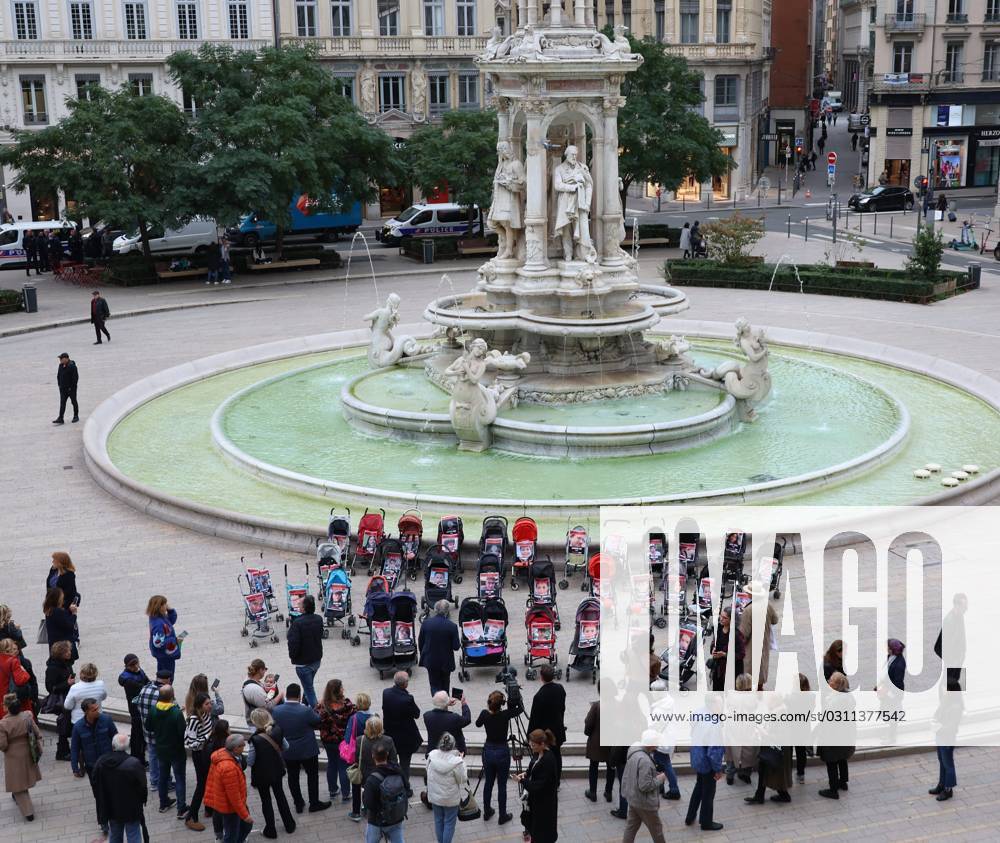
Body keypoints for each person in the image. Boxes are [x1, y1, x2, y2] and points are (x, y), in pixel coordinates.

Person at [271, 682, 330, 814]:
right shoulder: (305, 710)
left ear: (286, 695)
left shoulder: (277, 711)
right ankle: (314, 803)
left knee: (293, 777)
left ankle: (298, 803)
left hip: (288, 751)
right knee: (312, 776)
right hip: (307, 750)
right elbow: (317, 721)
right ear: (299, 696)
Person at [247, 707, 296, 838]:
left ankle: (271, 830)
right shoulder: (277, 730)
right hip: (277, 770)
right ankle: (289, 825)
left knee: (266, 800)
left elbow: (250, 761)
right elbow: (286, 747)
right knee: (280, 796)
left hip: (262, 775)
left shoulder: (254, 739)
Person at [71, 698, 118, 835]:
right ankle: (103, 821)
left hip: (109, 764)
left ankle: (114, 816)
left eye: (97, 708)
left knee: (112, 792)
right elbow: (74, 748)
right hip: (92, 767)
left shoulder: (107, 720)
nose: (97, 711)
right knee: (99, 795)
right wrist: (75, 767)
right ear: (86, 712)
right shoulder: (78, 727)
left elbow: (115, 738)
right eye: (94, 709)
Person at [476, 688, 522, 823]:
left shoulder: (484, 714)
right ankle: (503, 815)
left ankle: (487, 811)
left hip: (489, 750)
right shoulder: (506, 714)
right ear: (501, 704)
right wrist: (515, 696)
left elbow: (478, 724)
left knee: (488, 782)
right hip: (502, 751)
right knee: (502, 785)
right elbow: (520, 709)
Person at [94, 732, 148, 843]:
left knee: (115, 834)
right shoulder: (134, 764)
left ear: (113, 746)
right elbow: (143, 786)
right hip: (131, 808)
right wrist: (143, 799)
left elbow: (95, 783)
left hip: (111, 807)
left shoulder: (101, 762)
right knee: (134, 834)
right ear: (127, 747)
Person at [0, 693, 42, 822]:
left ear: (6, 707)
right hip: (28, 751)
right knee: (24, 778)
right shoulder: (27, 717)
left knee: (17, 785)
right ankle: (17, 797)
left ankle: (28, 812)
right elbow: (37, 733)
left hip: (13, 756)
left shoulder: (3, 723)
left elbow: (3, 745)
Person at [149, 684, 188, 819]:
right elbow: (182, 731)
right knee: (179, 778)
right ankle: (181, 808)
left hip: (161, 750)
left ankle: (163, 803)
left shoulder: (153, 710)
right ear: (172, 696)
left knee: (163, 777)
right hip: (176, 751)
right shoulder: (176, 713)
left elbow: (149, 726)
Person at [205, 734, 253, 843]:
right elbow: (234, 796)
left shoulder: (224, 754)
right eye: (242, 745)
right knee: (232, 834)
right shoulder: (228, 768)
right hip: (230, 807)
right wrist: (245, 816)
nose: (245, 745)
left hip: (229, 803)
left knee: (244, 828)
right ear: (235, 748)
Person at [621, 730, 667, 843]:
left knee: (631, 828)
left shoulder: (634, 753)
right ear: (650, 744)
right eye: (656, 742)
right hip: (644, 803)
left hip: (633, 798)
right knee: (657, 830)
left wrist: (652, 775)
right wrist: (660, 779)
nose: (657, 744)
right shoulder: (645, 761)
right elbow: (645, 785)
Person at [686, 700, 725, 831]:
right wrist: (718, 769)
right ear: (713, 705)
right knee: (708, 793)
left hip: (697, 756)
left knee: (699, 787)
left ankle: (690, 816)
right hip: (707, 763)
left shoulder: (699, 712)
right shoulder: (714, 723)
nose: (722, 707)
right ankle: (706, 822)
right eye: (720, 704)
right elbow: (714, 751)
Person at [132, 669, 173, 793]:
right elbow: (171, 711)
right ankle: (166, 782)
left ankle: (154, 782)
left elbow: (136, 701)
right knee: (164, 758)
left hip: (147, 731)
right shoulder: (164, 694)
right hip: (162, 733)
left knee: (153, 756)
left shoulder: (145, 689)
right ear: (168, 680)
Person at [382, 671, 421, 797]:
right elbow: (417, 714)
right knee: (405, 764)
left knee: (392, 762)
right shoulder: (407, 699)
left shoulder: (386, 693)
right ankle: (405, 787)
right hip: (405, 737)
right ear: (404, 684)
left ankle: (391, 785)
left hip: (390, 735)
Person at [517, 728, 559, 843]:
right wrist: (526, 773)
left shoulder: (548, 760)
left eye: (534, 745)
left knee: (542, 833)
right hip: (537, 803)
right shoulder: (539, 753)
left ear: (542, 744)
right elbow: (533, 766)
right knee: (535, 830)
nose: (531, 746)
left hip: (544, 805)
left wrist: (521, 781)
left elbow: (537, 786)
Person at [817, 672, 855, 799]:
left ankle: (833, 790)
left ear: (837, 685)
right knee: (842, 758)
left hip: (833, 738)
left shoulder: (835, 702)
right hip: (845, 736)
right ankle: (843, 782)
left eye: (831, 680)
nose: (829, 682)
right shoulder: (848, 697)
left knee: (832, 762)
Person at [316, 678, 354, 802]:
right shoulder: (347, 705)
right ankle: (346, 793)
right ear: (338, 691)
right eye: (342, 687)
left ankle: (333, 790)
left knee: (332, 764)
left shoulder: (322, 706)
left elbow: (315, 720)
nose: (343, 689)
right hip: (343, 741)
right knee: (343, 766)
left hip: (328, 741)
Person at [427, 732, 468, 843]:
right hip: (451, 798)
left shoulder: (432, 756)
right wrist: (462, 760)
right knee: (449, 823)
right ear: (453, 745)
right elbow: (463, 779)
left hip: (435, 796)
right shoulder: (456, 762)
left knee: (438, 820)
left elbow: (428, 772)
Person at [362, 742, 407, 843]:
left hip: (376, 821)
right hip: (396, 816)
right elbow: (407, 789)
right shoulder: (398, 771)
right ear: (387, 754)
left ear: (373, 756)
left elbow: (368, 803)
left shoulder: (372, 779)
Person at [183, 691, 215, 831]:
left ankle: (209, 808)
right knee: (201, 785)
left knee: (209, 781)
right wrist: (207, 737)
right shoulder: (194, 720)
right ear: (200, 706)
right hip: (200, 755)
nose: (210, 706)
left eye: (210, 703)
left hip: (207, 752)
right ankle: (191, 816)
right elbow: (189, 743)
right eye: (207, 704)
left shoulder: (206, 714)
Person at [527, 665, 566, 778]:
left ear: (541, 677)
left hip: (545, 733)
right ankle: (557, 779)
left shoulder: (539, 696)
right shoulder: (560, 689)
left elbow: (534, 718)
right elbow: (562, 708)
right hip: (557, 729)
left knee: (544, 756)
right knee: (557, 755)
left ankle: (546, 778)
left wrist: (529, 735)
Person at [738, 582, 778, 690]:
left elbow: (744, 633)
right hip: (764, 643)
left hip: (751, 646)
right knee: (761, 669)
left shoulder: (748, 610)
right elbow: (775, 620)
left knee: (749, 672)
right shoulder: (767, 604)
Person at [287, 593, 324, 707]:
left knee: (309, 690)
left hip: (303, 664)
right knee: (308, 685)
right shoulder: (318, 619)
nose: (297, 604)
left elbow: (293, 644)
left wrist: (293, 657)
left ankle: (317, 713)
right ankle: (304, 704)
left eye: (300, 604)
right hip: (316, 660)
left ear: (304, 608)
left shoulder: (297, 623)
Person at [930, 679, 963, 802]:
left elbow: (952, 726)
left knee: (948, 763)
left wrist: (939, 727)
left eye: (946, 688)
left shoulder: (956, 706)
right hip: (940, 736)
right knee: (942, 761)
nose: (944, 690)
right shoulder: (946, 701)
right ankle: (941, 784)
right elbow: (937, 714)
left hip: (947, 737)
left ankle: (948, 789)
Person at [418, 599, 460, 695]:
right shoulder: (452, 626)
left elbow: (421, 642)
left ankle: (437, 703)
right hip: (446, 662)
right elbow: (456, 647)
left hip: (431, 660)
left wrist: (424, 655)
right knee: (445, 685)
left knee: (434, 684)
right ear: (447, 611)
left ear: (435, 610)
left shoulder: (426, 623)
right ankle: (444, 705)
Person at [344, 692, 373, 821]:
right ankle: (368, 807)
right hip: (373, 754)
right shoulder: (375, 717)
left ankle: (356, 812)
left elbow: (348, 737)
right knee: (370, 782)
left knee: (356, 782)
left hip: (358, 754)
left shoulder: (354, 718)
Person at [45, 640, 75, 760]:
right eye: (67, 651)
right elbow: (50, 687)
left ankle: (65, 749)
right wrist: (66, 683)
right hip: (61, 700)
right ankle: (62, 751)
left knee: (67, 723)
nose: (70, 652)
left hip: (69, 696)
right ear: (61, 653)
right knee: (64, 723)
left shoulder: (66, 663)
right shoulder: (52, 668)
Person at [583, 688, 613, 805]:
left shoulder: (596, 706)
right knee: (611, 767)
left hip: (596, 742)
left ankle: (593, 792)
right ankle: (608, 792)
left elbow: (589, 723)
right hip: (611, 743)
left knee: (593, 766)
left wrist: (588, 733)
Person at [118, 654, 149, 765]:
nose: (136, 666)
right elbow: (142, 687)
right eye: (132, 665)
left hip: (142, 707)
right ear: (127, 666)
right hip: (136, 710)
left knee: (140, 734)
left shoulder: (139, 671)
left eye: (136, 663)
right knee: (138, 735)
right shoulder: (127, 679)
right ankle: (138, 759)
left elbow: (147, 682)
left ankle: (139, 755)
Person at [423, 690, 471, 757]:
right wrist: (464, 704)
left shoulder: (427, 716)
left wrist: (445, 704)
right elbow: (467, 719)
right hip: (453, 752)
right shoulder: (454, 718)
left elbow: (439, 713)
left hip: (434, 752)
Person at [935, 593, 967, 688]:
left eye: (966, 605)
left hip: (958, 660)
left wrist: (962, 654)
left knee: (957, 690)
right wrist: (950, 660)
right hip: (952, 661)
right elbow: (940, 646)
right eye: (964, 606)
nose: (966, 608)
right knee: (949, 688)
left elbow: (961, 639)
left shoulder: (960, 617)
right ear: (957, 605)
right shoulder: (949, 620)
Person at [146, 595, 182, 679]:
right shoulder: (158, 624)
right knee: (167, 677)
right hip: (165, 654)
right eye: (165, 604)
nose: (167, 605)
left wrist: (170, 610)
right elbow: (158, 643)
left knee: (163, 674)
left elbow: (171, 621)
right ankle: (165, 691)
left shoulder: (159, 617)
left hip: (163, 654)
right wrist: (175, 640)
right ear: (160, 607)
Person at [207, 719, 232, 839]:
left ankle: (219, 834)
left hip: (214, 779)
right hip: (227, 780)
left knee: (217, 808)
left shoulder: (209, 743)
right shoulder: (229, 745)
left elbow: (205, 762)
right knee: (229, 807)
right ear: (226, 730)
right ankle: (230, 832)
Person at [710, 608, 744, 691]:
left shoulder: (736, 635)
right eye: (721, 616)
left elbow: (741, 654)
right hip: (718, 669)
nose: (721, 619)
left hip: (731, 671)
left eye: (725, 618)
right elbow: (714, 643)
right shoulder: (718, 629)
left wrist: (725, 655)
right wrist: (713, 649)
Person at [242, 659, 283, 725]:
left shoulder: (248, 679)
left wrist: (266, 689)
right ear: (261, 670)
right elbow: (268, 706)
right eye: (265, 669)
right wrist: (280, 695)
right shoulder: (255, 689)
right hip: (259, 723)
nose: (265, 672)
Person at [0, 640, 30, 719]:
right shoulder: (13, 661)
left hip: (2, 698)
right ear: (8, 650)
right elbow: (20, 680)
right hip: (11, 697)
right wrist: (25, 673)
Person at [53, 352, 80, 425]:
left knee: (73, 402)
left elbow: (75, 378)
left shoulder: (72, 366)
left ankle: (76, 416)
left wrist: (71, 388)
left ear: (66, 358)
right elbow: (58, 376)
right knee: (62, 403)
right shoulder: (61, 365)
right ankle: (61, 418)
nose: (60, 360)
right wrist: (59, 385)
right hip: (63, 389)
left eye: (61, 358)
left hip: (71, 389)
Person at [608, 744, 629, 819]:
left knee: (623, 786)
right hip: (633, 759)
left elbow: (616, 749)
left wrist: (612, 762)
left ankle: (623, 811)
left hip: (623, 761)